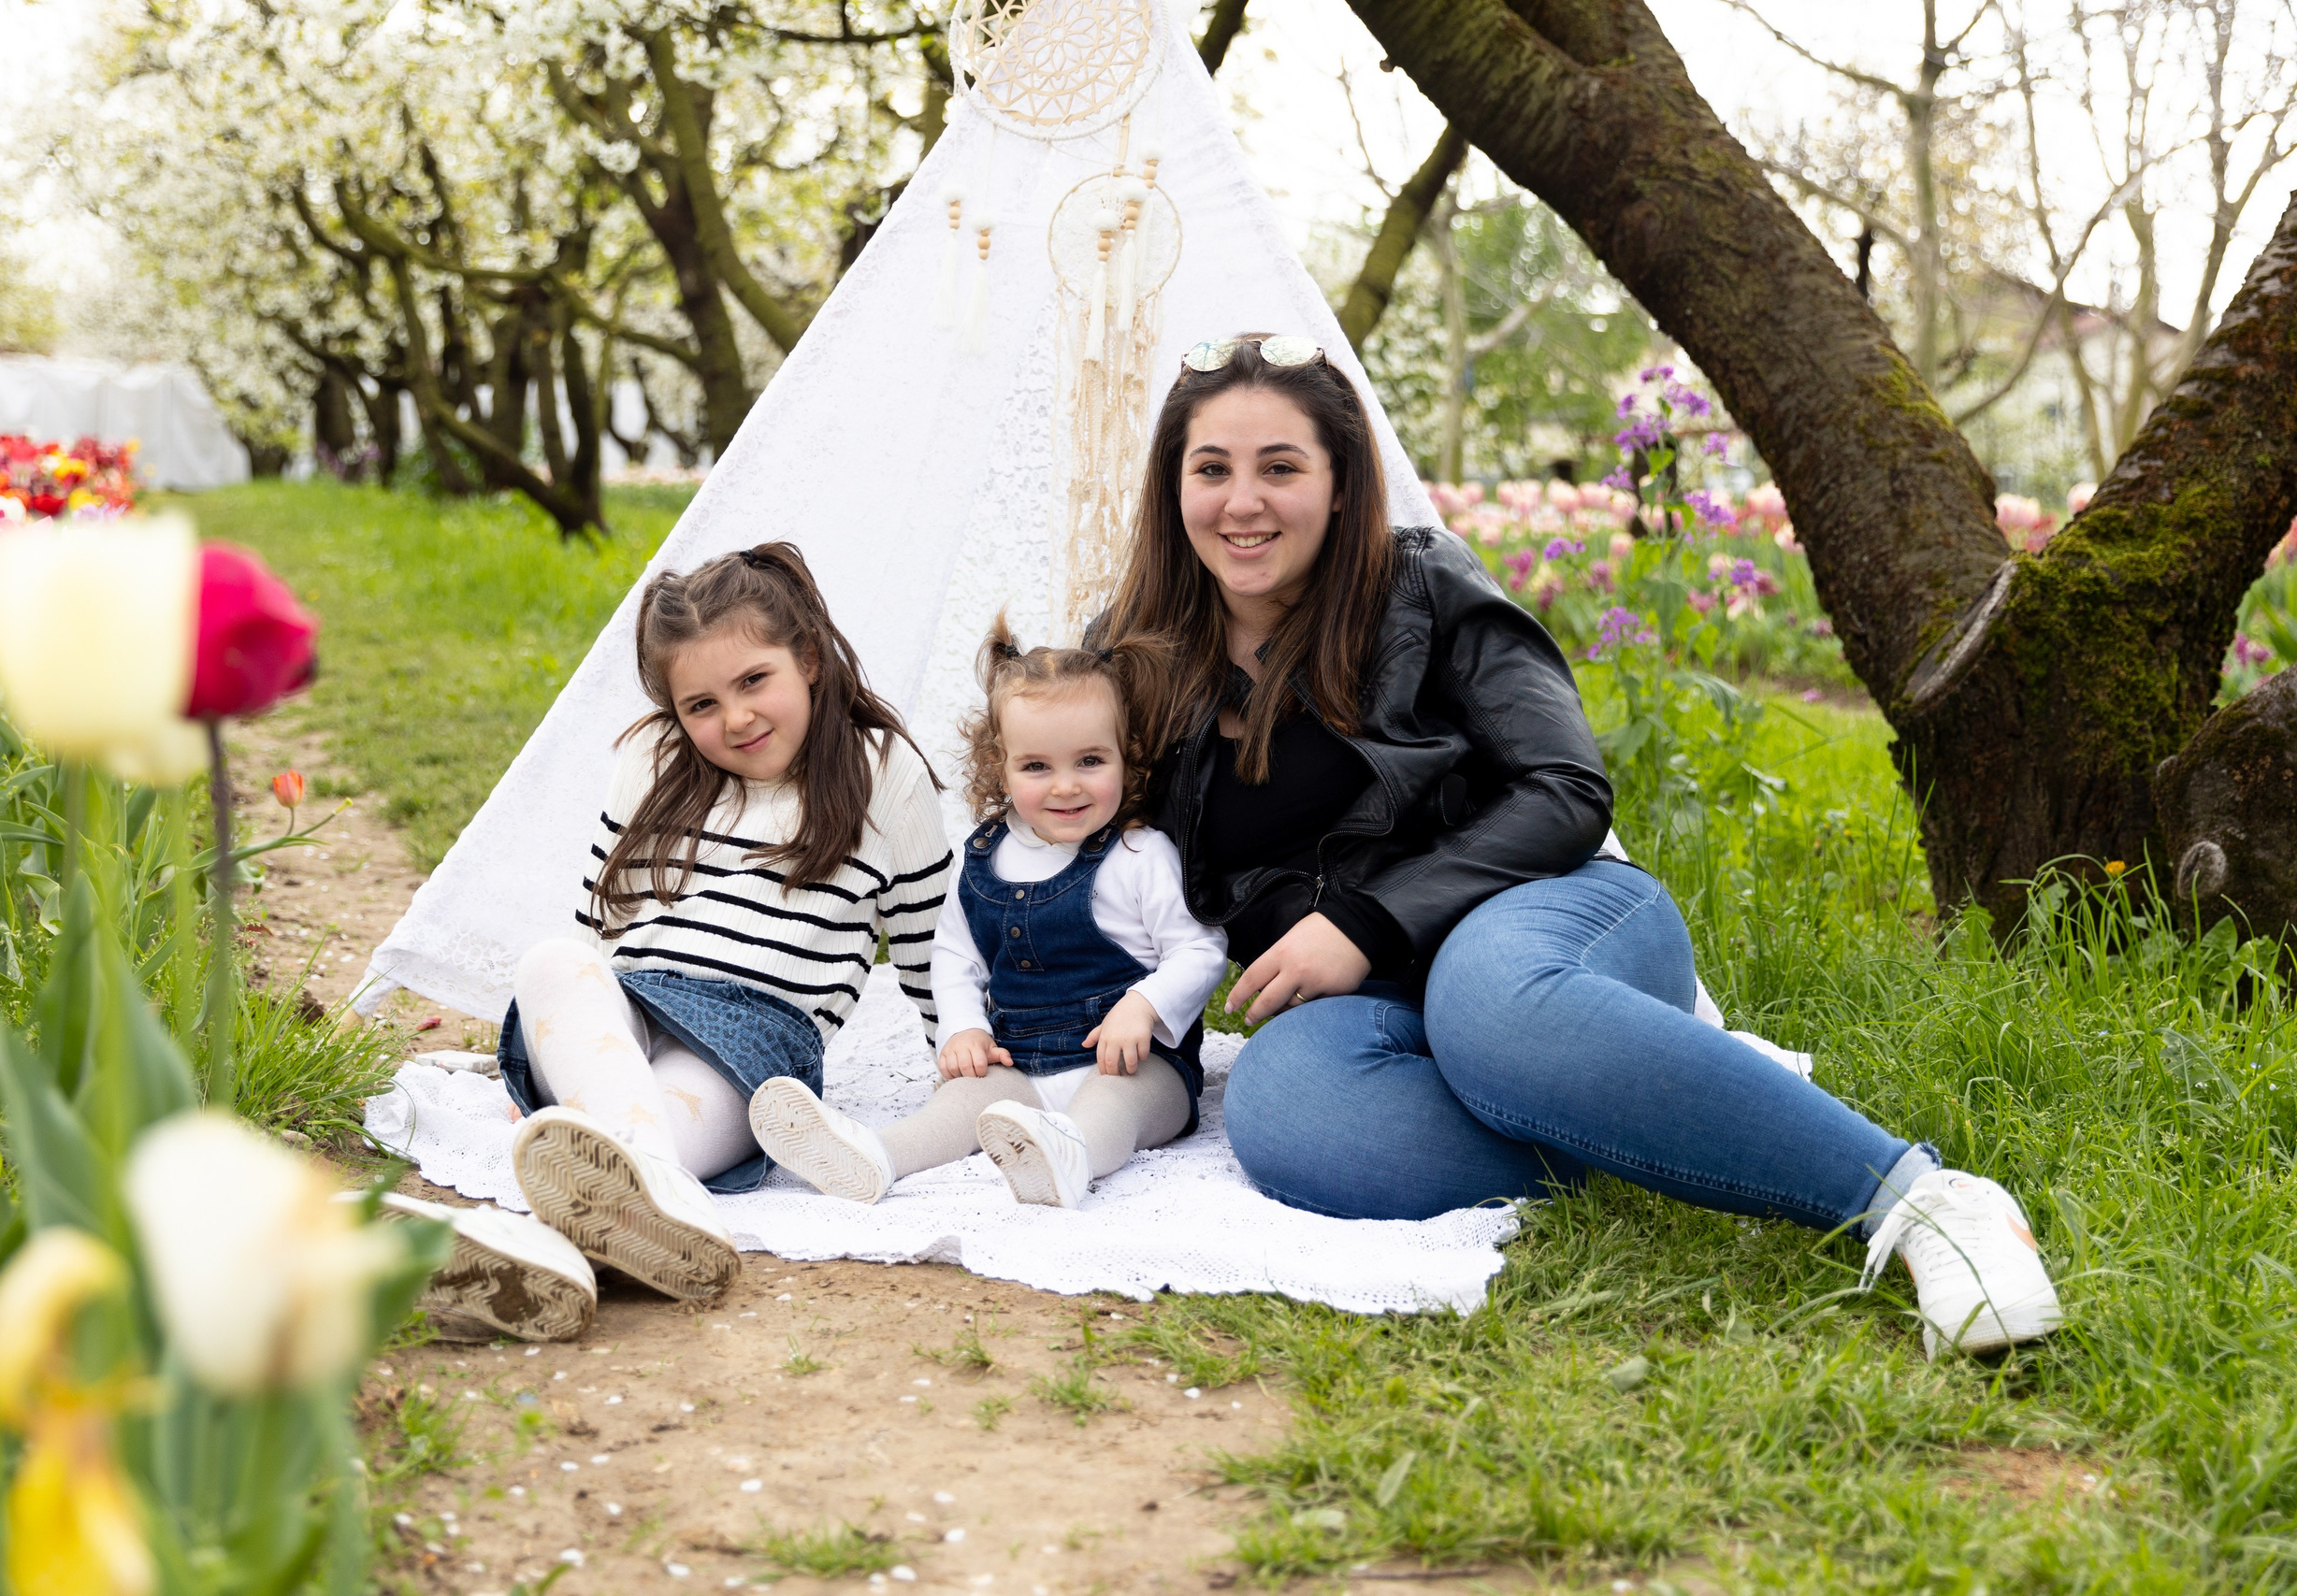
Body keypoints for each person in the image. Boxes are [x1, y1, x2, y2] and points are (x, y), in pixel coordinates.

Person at [1092, 332, 2061, 1359]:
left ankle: (1921, 1201)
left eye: (1280, 467)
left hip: (1547, 908)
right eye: (1213, 469)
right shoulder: (1134, 653)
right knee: (1292, 1113)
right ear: (1175, 487)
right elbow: (1110, 868)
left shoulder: (1419, 585)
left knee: (1489, 1003)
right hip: (1368, 1002)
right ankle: (1624, 1087)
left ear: (1340, 485)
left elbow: (1565, 789)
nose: (1243, 502)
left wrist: (1369, 920)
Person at [481, 544, 951, 1313]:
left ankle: (564, 1245)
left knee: (647, 1127)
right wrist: (553, 1050)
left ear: (807, 658)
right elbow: (603, 923)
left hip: (751, 1045)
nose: (734, 718)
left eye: (753, 681)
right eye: (701, 704)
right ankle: (669, 1209)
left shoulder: (880, 769)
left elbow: (929, 940)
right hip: (629, 1010)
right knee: (551, 961)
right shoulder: (652, 759)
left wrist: (957, 1046)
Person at [748, 616, 1227, 1209]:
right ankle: (876, 1154)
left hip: (1132, 1062)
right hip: (1019, 1061)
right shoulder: (985, 857)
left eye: (1090, 761)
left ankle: (1069, 1154)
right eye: (1037, 767)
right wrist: (964, 1029)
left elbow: (1200, 948)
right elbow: (953, 957)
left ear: (1126, 758)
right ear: (999, 767)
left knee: (1113, 1106)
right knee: (961, 1101)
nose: (1065, 786)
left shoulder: (1138, 853)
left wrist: (1145, 1006)